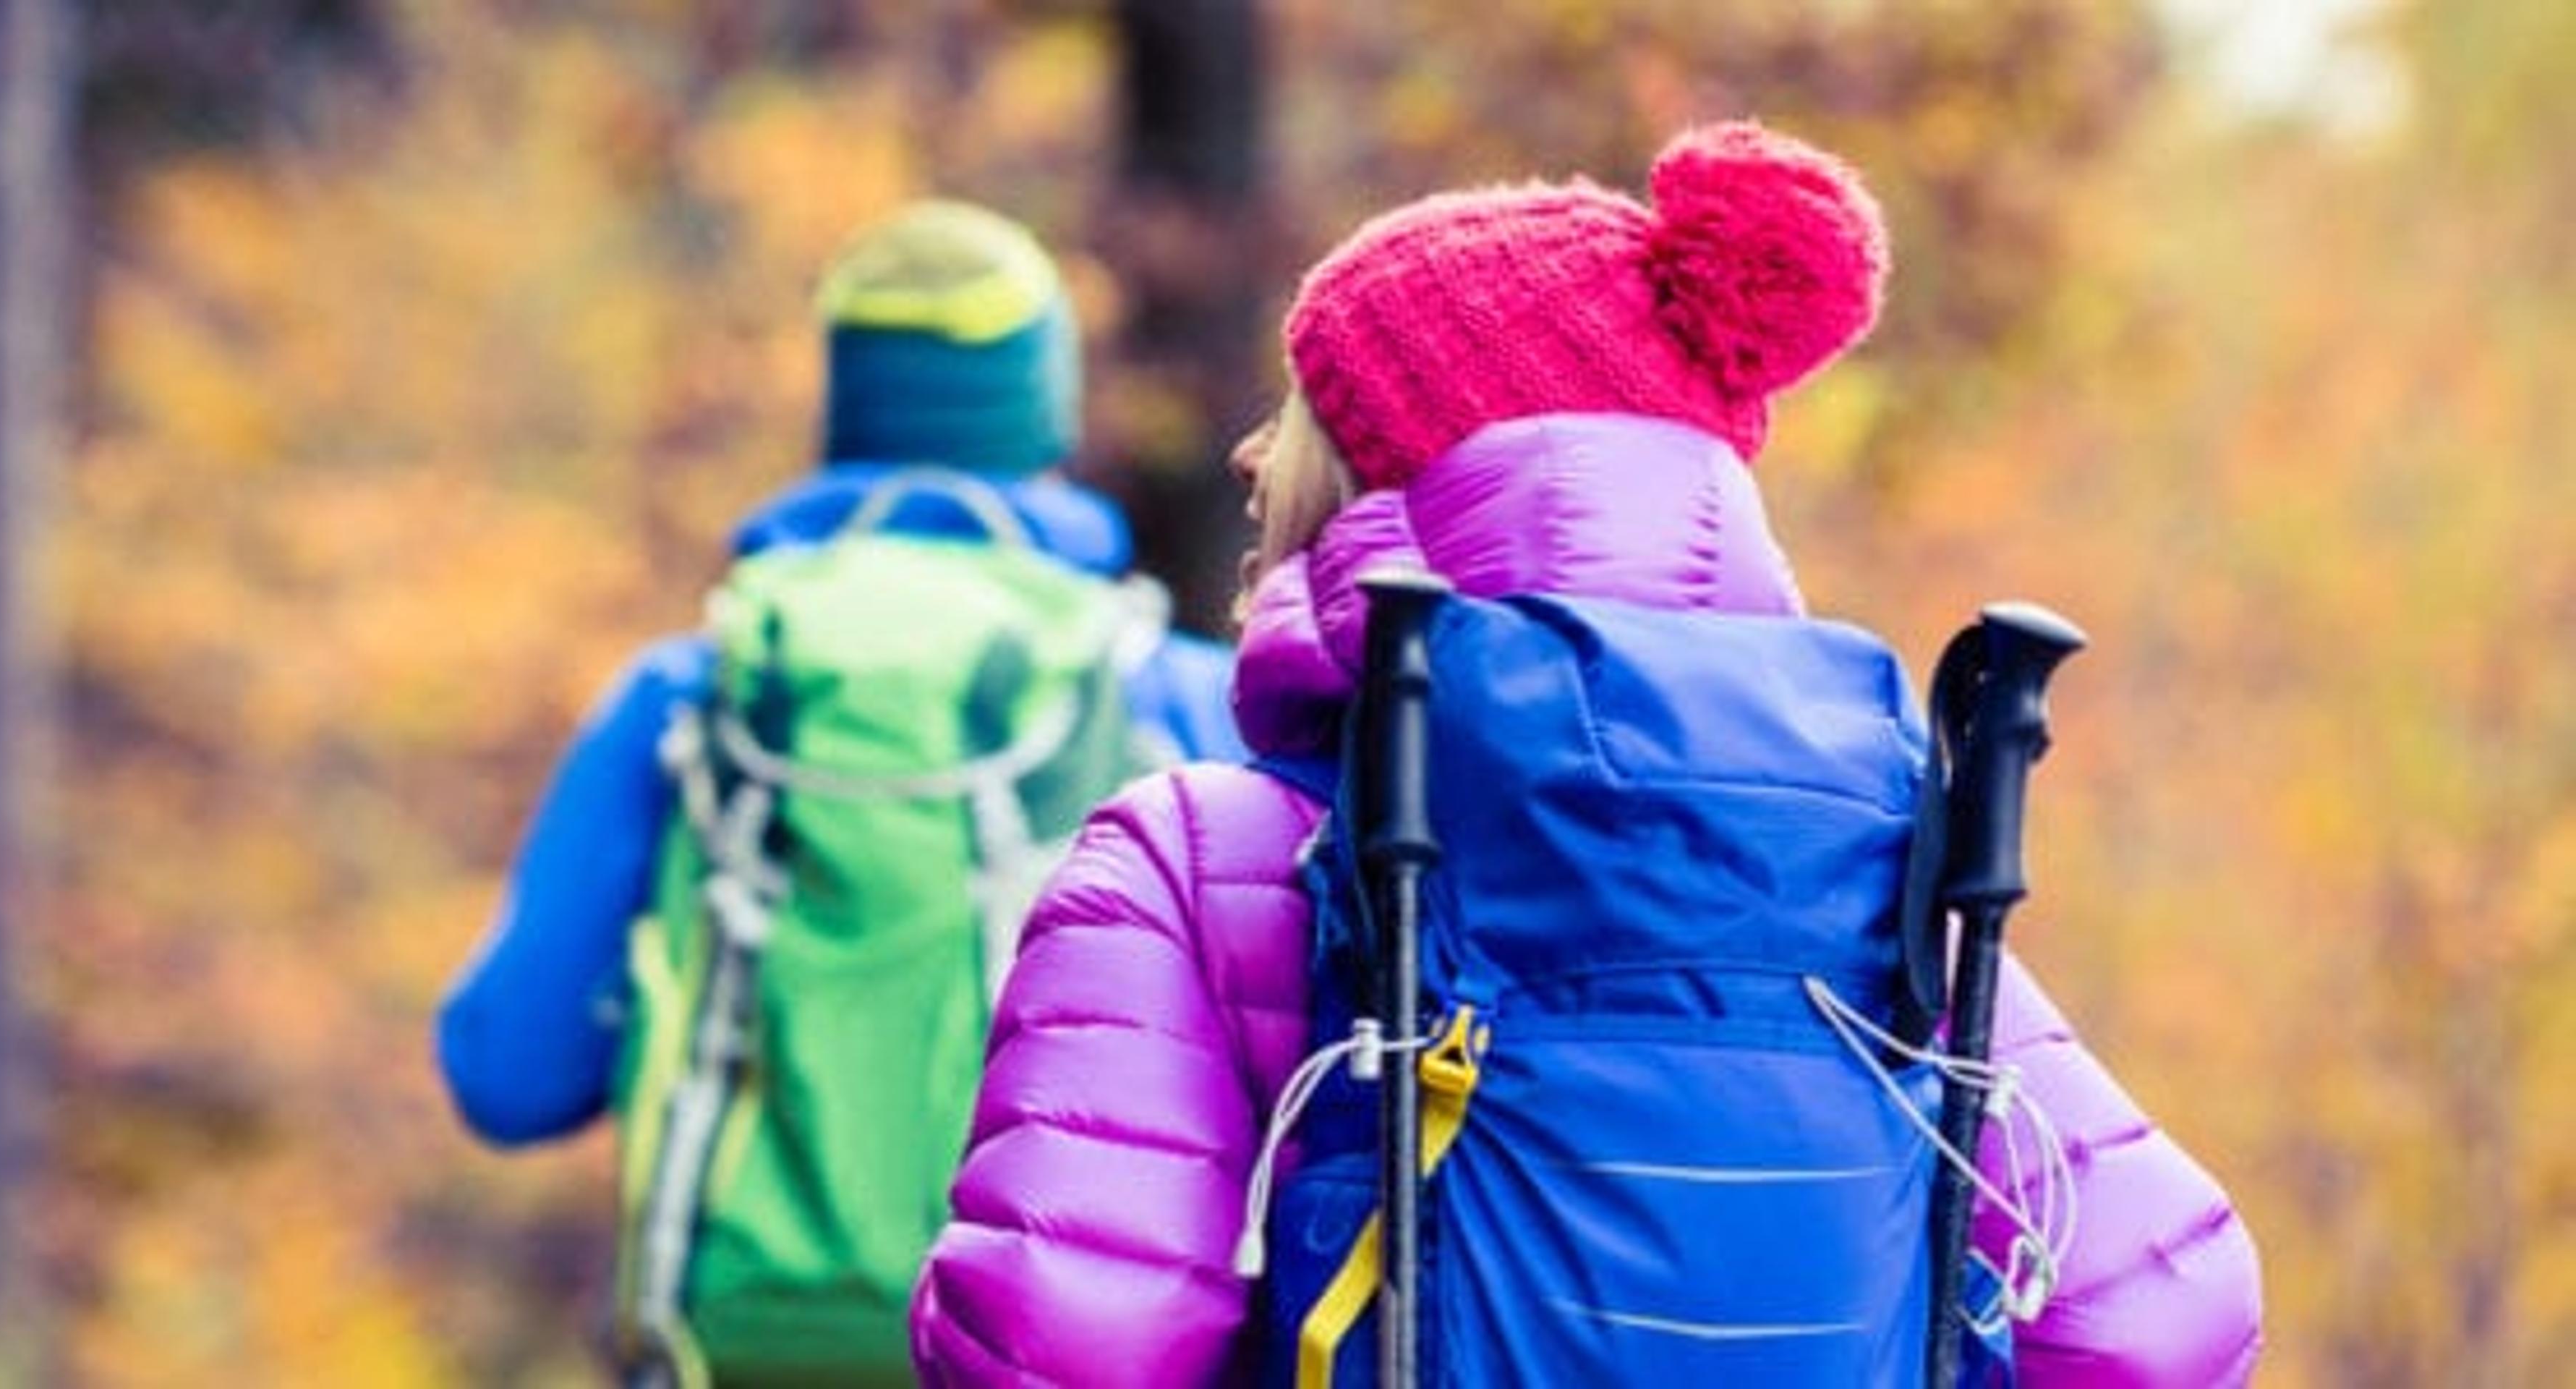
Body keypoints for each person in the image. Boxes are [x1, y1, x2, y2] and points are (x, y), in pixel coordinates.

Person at [910, 124, 2264, 1385]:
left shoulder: (1206, 854)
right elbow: (2165, 1309)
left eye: (1306, 410)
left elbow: (1061, 1328)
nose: (1255, 453)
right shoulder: (1873, 847)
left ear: (1381, 472)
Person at [438, 200, 1245, 1383]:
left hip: (749, 1352)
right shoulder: (1172, 698)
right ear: (1045, 415)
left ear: (843, 410)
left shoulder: (695, 697)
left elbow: (508, 1073)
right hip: (1066, 1348)